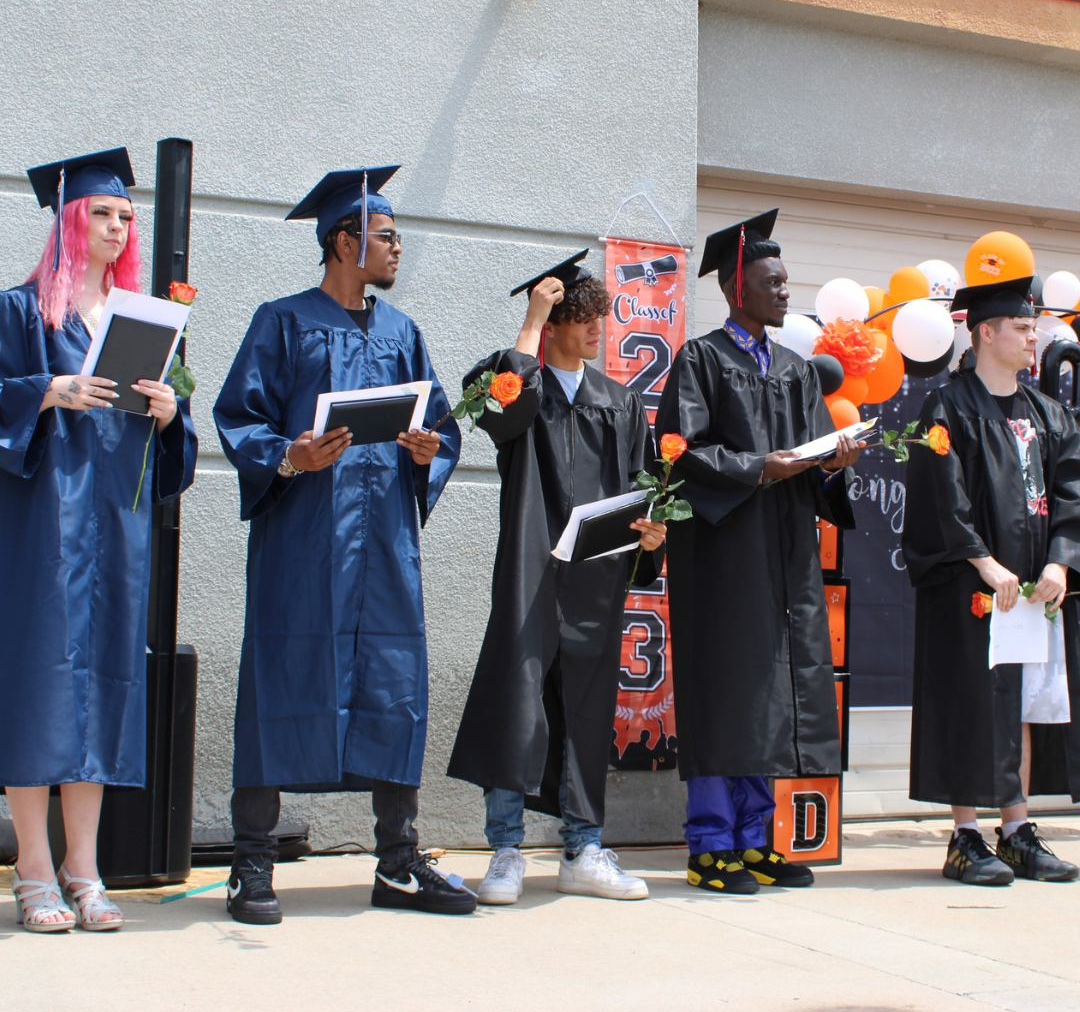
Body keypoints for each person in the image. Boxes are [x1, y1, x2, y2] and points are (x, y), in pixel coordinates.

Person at [214, 164, 471, 923]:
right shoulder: (282, 321)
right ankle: (251, 863)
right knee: (282, 677)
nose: (398, 250)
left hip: (386, 540)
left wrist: (428, 451)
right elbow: (239, 418)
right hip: (306, 541)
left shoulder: (402, 332)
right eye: (388, 238)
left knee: (394, 684)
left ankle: (397, 864)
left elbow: (442, 424)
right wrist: (289, 455)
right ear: (344, 242)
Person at [0, 148, 198, 932]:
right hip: (42, 526)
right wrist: (49, 391)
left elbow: (171, 444)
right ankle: (34, 868)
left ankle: (83, 867)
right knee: (40, 689)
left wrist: (167, 414)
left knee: (101, 687)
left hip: (116, 525)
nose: (118, 225)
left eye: (126, 216)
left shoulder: (142, 320)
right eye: (104, 213)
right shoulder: (20, 313)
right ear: (70, 219)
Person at [447, 251, 667, 904]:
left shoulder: (620, 403)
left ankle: (584, 849)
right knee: (515, 703)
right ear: (555, 323)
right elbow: (496, 414)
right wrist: (530, 321)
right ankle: (506, 851)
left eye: (600, 314)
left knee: (589, 711)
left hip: (596, 580)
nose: (597, 327)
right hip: (530, 571)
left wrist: (654, 534)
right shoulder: (520, 381)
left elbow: (644, 488)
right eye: (581, 316)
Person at [654, 209, 861, 894]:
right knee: (726, 691)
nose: (783, 292)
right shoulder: (700, 360)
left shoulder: (798, 370)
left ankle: (754, 839)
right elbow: (679, 452)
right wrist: (756, 469)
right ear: (735, 287)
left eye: (786, 281)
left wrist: (832, 461)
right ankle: (709, 844)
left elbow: (804, 458)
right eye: (771, 281)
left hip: (785, 554)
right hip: (723, 556)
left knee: (773, 695)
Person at [902, 275, 1080, 885]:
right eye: (1023, 329)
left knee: (1023, 706)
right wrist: (982, 561)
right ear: (986, 332)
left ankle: (1016, 830)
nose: (1035, 339)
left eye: (1035, 329)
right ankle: (965, 835)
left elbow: (1069, 494)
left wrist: (1059, 560)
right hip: (974, 588)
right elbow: (939, 495)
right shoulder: (948, 407)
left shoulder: (1050, 415)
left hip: (1033, 591)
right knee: (971, 703)